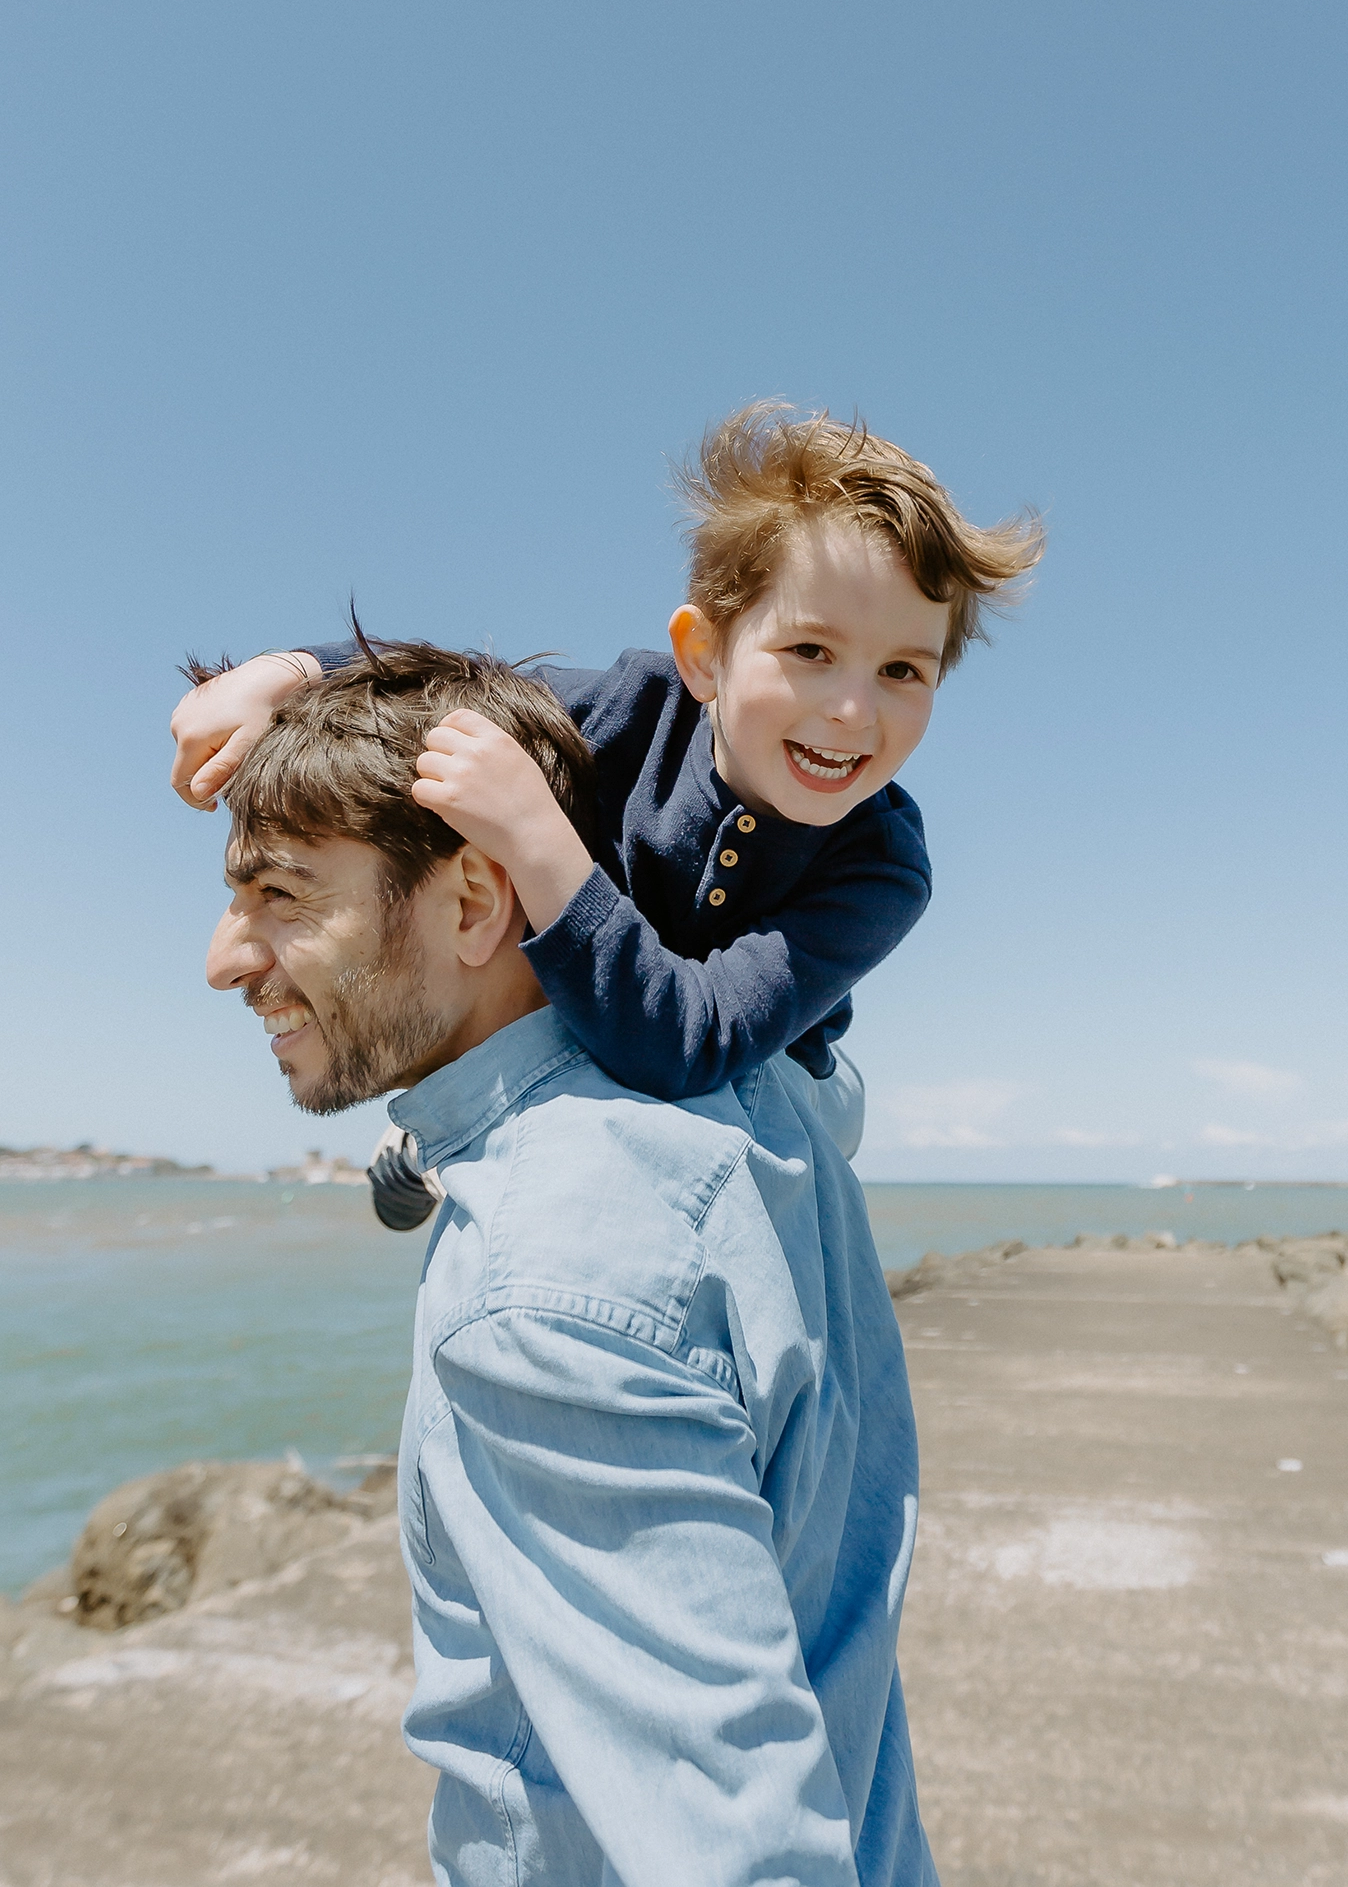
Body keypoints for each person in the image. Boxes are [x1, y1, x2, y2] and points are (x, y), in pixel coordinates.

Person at [203, 640, 940, 1887]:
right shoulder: (768, 1120)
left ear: (480, 904)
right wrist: (296, 668)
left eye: (282, 897)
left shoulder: (541, 1292)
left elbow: (742, 1847)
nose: (226, 958)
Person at [173, 406, 1042, 1220]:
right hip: (584, 1014)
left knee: (778, 1121)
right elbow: (446, 687)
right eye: (811, 651)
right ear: (704, 656)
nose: (855, 710)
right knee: (537, 1022)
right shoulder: (627, 709)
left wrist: (538, 836)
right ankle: (430, 1125)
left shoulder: (881, 863)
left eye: (903, 671)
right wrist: (284, 671)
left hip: (778, 1060)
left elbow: (692, 1043)